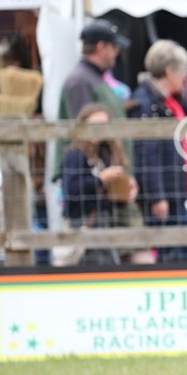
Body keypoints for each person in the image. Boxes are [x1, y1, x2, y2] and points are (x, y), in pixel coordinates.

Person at [131, 40, 187, 262]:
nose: (185, 76)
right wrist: (157, 196)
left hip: (172, 189)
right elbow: (146, 153)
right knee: (185, 242)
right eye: (183, 70)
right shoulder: (146, 103)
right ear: (170, 71)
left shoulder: (167, 101)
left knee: (178, 243)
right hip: (163, 192)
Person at [61, 103, 140, 265]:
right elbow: (72, 190)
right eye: (94, 125)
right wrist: (102, 178)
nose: (98, 129)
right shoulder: (75, 155)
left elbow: (108, 196)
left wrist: (125, 188)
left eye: (103, 125)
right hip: (82, 225)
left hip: (106, 224)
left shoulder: (106, 153)